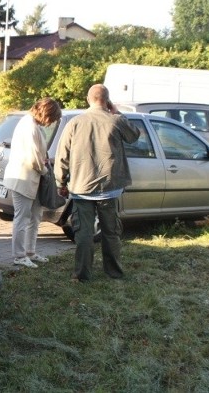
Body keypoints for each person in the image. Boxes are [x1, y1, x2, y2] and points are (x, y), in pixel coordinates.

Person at [54, 84, 140, 281]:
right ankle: (114, 272)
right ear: (108, 101)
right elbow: (134, 136)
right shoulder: (116, 120)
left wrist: (61, 182)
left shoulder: (75, 123)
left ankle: (82, 274)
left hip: (81, 188)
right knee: (111, 232)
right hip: (110, 188)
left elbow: (62, 156)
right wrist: (117, 113)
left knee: (83, 233)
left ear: (88, 99)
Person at [3, 98, 62, 268]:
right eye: (51, 118)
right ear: (45, 113)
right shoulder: (29, 127)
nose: (50, 123)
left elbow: (39, 155)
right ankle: (19, 256)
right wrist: (45, 172)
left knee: (35, 217)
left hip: (33, 180)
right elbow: (34, 158)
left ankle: (30, 252)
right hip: (23, 179)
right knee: (22, 218)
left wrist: (45, 164)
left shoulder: (33, 125)